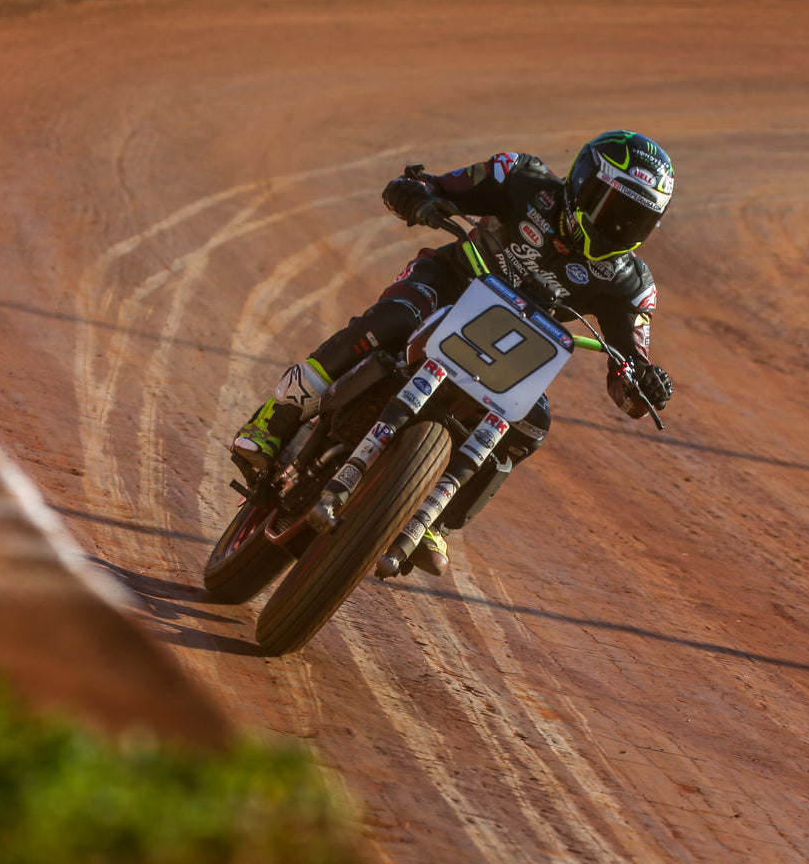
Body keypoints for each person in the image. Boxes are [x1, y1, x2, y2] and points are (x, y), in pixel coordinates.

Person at [232, 130, 675, 575]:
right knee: (395, 318)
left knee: (533, 422)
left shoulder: (632, 285)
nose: (617, 224)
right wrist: (417, 194)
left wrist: (644, 384)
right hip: (447, 285)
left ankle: (435, 517)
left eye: (634, 218)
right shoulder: (521, 177)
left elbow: (628, 379)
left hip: (515, 351)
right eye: (610, 206)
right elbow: (439, 187)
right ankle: (277, 414)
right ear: (581, 182)